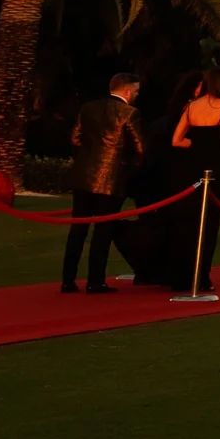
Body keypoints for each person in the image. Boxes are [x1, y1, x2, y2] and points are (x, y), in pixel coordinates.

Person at [63, 71, 144, 293]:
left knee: (77, 229)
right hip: (112, 180)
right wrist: (128, 165)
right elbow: (140, 148)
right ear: (127, 91)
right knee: (103, 230)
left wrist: (89, 157)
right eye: (136, 91)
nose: (137, 95)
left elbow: (75, 138)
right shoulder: (129, 113)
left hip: (84, 177)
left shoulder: (89, 108)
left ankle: (68, 280)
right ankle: (95, 281)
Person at [165, 70, 220, 292]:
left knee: (189, 220)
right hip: (215, 164)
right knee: (210, 223)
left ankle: (182, 276)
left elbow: (176, 140)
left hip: (193, 165)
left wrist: (195, 144)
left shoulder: (191, 107)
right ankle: (202, 277)